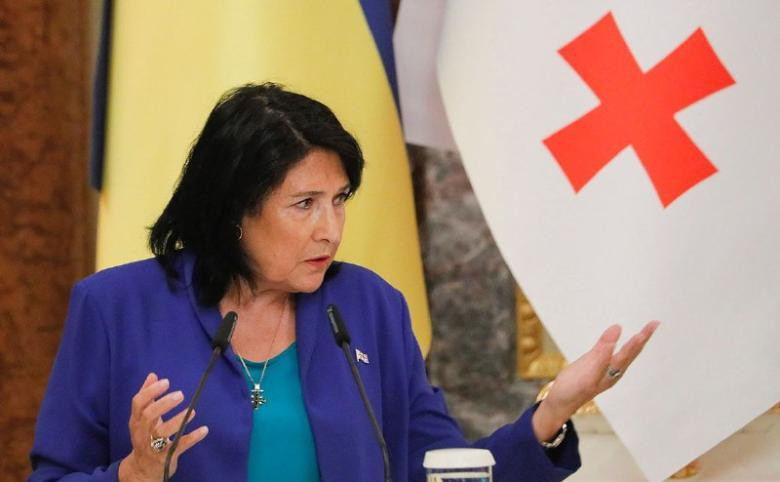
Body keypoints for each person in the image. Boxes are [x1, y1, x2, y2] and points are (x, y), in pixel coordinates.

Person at [29, 83, 659, 482]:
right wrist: (133, 475)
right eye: (304, 205)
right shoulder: (116, 309)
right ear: (235, 211)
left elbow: (440, 469)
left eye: (340, 200)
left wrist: (553, 411)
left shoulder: (368, 306)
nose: (330, 230)